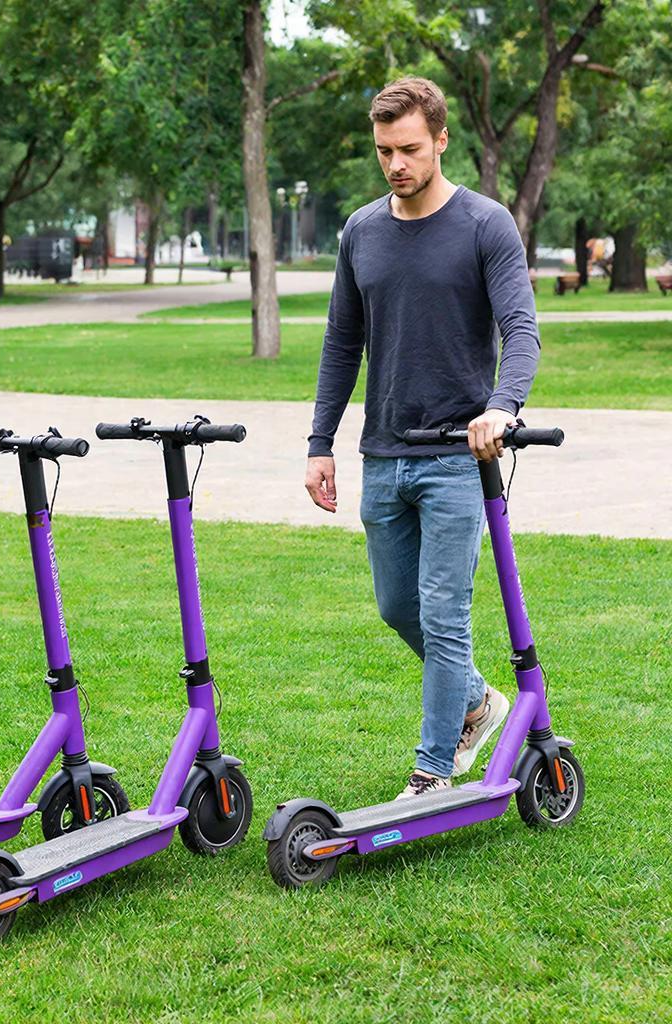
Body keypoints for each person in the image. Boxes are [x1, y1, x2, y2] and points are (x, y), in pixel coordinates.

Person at [306, 76, 540, 799]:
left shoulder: (485, 224)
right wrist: (320, 442)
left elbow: (521, 330)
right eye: (384, 151)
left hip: (457, 457)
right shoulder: (361, 231)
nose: (396, 164)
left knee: (443, 614)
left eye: (408, 148)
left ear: (441, 139)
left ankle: (433, 772)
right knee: (397, 608)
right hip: (383, 454)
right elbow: (342, 342)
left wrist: (502, 406)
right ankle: (475, 700)